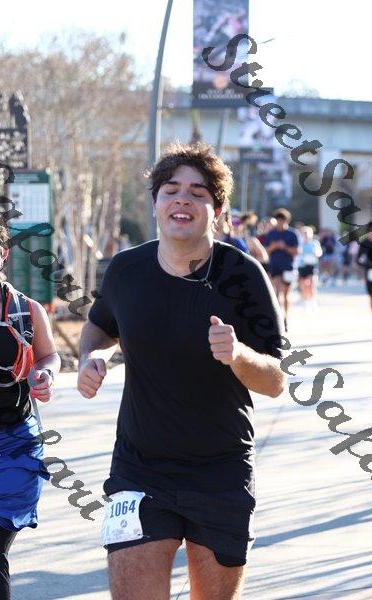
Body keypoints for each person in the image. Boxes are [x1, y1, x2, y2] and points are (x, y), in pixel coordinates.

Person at [78, 143, 286, 600]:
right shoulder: (127, 270)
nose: (182, 200)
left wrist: (238, 355)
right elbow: (98, 326)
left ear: (218, 211)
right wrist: (91, 358)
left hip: (220, 470)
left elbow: (276, 381)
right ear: (155, 203)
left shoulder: (244, 276)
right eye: (171, 190)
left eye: (198, 193)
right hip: (138, 468)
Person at [0, 206, 60, 600]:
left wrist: (45, 375)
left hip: (14, 450)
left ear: (3, 252)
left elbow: (48, 355)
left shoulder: (27, 310)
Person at [263, 208, 300, 330]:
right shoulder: (271, 234)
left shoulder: (292, 234)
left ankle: (286, 317)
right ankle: (278, 318)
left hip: (288, 267)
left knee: (286, 295)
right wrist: (273, 247)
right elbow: (265, 251)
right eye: (278, 221)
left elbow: (297, 251)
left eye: (283, 221)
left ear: (286, 221)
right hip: (275, 267)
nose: (280, 223)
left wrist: (285, 247)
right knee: (276, 293)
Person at [297, 226, 322, 310]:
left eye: (307, 233)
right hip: (302, 266)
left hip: (312, 266)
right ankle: (305, 300)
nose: (306, 235)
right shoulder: (300, 244)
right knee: (303, 285)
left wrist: (316, 253)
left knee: (311, 284)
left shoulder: (314, 243)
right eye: (304, 233)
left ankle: (312, 300)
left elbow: (319, 252)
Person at [356, 221, 372, 311]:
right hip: (369, 271)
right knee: (370, 292)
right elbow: (358, 259)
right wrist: (365, 263)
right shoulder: (364, 243)